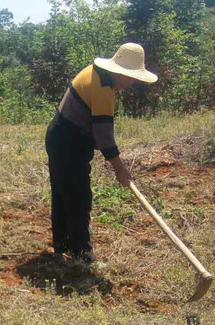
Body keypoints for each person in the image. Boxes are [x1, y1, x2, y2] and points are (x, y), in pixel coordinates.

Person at [45, 43, 157, 263]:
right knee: (78, 197)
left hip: (59, 135)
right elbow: (104, 136)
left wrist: (113, 161)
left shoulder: (97, 73)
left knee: (64, 193)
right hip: (68, 141)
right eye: (131, 77)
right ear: (119, 72)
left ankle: (62, 244)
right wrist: (120, 169)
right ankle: (80, 253)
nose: (132, 83)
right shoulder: (103, 88)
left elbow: (98, 134)